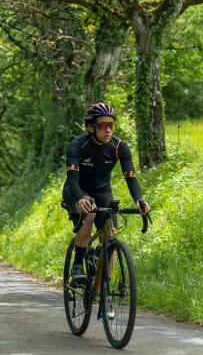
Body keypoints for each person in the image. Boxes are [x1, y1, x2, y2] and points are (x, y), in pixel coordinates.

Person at [63, 102, 150, 283]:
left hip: (102, 190)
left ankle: (104, 290)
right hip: (78, 189)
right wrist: (79, 199)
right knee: (90, 211)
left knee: (110, 236)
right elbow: (72, 180)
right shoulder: (77, 146)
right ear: (90, 127)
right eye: (103, 126)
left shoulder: (119, 147)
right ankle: (78, 265)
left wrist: (139, 200)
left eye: (111, 125)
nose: (108, 130)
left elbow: (131, 178)